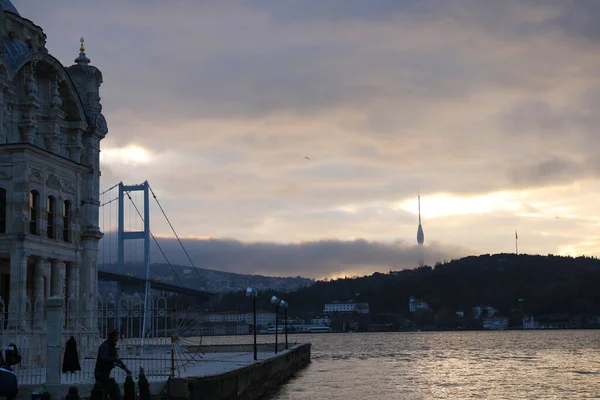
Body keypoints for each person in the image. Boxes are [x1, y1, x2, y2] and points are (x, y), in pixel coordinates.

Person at [94, 330, 132, 400]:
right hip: (100, 372)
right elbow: (104, 357)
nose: (117, 338)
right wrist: (113, 360)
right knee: (102, 391)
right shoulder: (105, 345)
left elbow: (117, 360)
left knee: (106, 390)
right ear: (112, 337)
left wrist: (126, 369)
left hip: (106, 372)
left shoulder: (112, 346)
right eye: (116, 336)